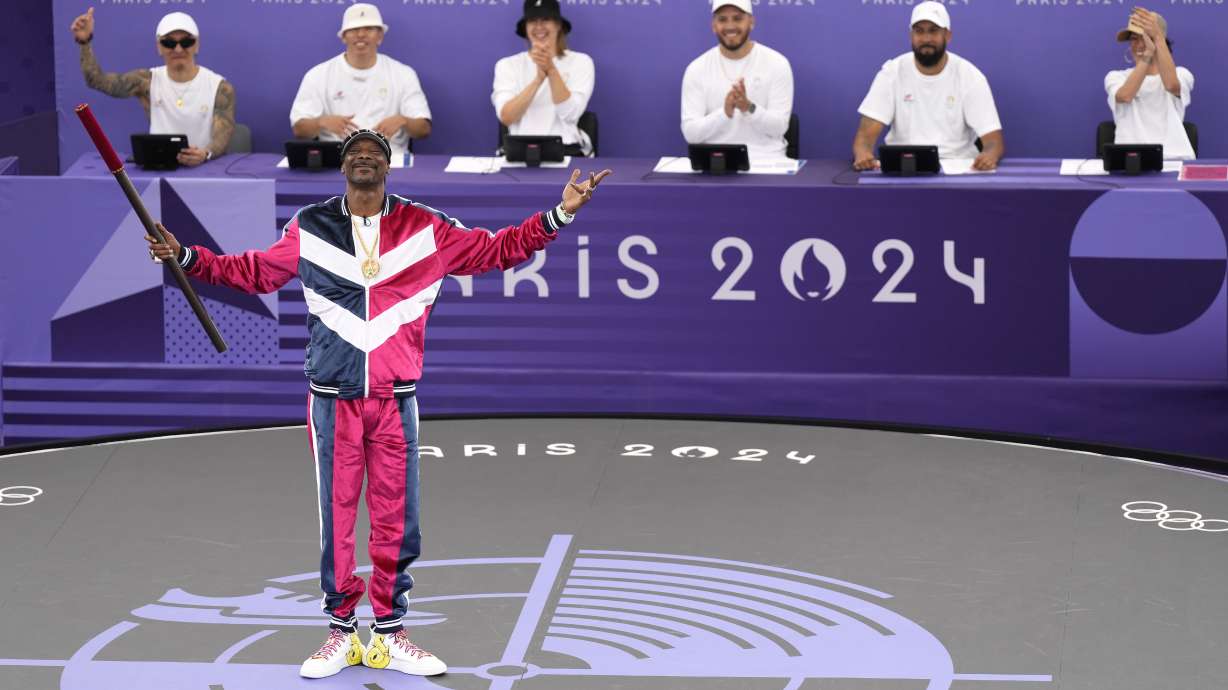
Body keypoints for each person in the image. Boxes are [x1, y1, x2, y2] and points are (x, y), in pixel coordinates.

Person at [145, 129, 611, 680]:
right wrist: (186, 256)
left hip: (395, 400)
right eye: (354, 152)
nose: (363, 157)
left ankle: (389, 633)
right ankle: (342, 633)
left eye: (374, 153)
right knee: (338, 521)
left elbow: (498, 249)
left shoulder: (426, 228)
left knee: (397, 521)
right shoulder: (310, 226)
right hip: (332, 400)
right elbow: (253, 272)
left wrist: (560, 213)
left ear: (388, 168)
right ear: (343, 166)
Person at [70, 8, 235, 166]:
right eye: (169, 43)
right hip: (158, 168)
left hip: (204, 168)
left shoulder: (219, 87)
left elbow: (223, 134)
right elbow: (96, 80)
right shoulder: (146, 81)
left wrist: (205, 154)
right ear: (159, 47)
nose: (178, 49)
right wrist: (84, 43)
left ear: (197, 45)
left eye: (186, 42)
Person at [852, 1, 1003, 171]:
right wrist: (863, 153)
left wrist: (989, 155)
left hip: (958, 167)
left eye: (933, 31)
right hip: (903, 166)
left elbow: (993, 140)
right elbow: (865, 135)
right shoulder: (892, 73)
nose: (926, 39)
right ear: (911, 35)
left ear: (947, 35)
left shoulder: (970, 76)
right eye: (919, 31)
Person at [290, 3, 431, 162]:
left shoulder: (403, 74)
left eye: (369, 29)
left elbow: (423, 129)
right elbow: (299, 130)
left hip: (391, 160)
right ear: (343, 36)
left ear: (380, 36)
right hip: (339, 161)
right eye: (354, 29)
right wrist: (321, 122)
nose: (361, 34)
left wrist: (403, 120)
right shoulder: (318, 75)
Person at [681, 0, 794, 162]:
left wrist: (748, 107)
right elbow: (691, 134)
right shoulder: (697, 69)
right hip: (715, 163)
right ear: (713, 26)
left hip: (767, 161)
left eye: (737, 18)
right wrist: (724, 113)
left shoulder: (777, 64)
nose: (730, 26)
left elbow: (779, 127)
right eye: (722, 19)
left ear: (751, 22)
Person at [493, 0, 595, 156]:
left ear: (558, 25)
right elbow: (507, 117)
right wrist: (538, 80)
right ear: (526, 28)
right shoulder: (507, 65)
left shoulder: (581, 62)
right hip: (519, 152)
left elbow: (570, 114)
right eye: (532, 21)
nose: (539, 26)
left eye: (546, 19)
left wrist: (551, 71)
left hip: (567, 151)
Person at [1105, 8, 1195, 160]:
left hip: (1173, 159)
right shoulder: (1116, 77)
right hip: (1129, 159)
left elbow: (1171, 86)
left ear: (1160, 41)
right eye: (1134, 39)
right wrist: (1147, 54)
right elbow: (1125, 96)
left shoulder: (1182, 74)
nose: (1139, 44)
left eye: (1146, 38)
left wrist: (1158, 38)